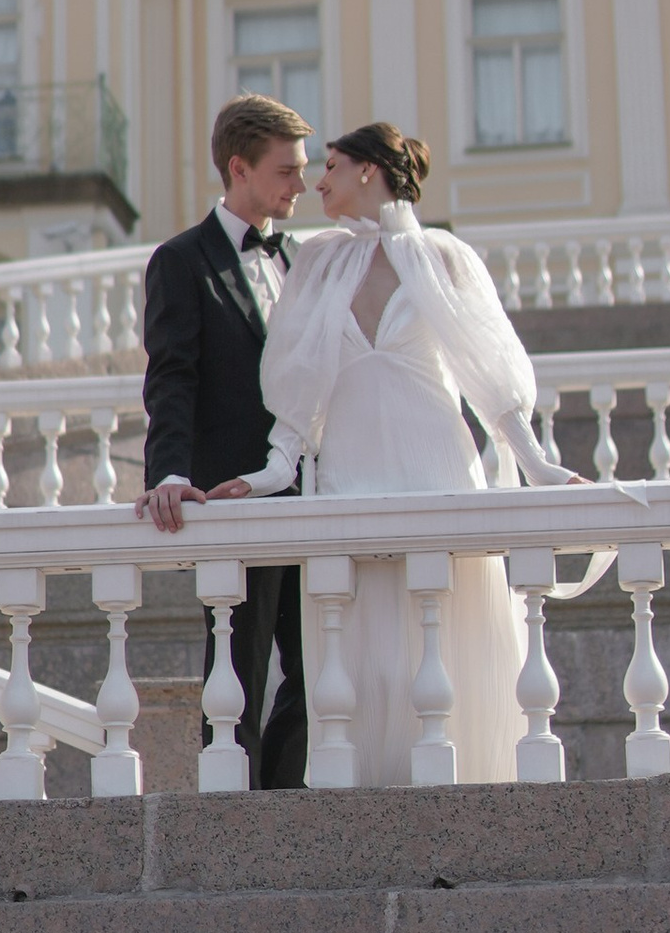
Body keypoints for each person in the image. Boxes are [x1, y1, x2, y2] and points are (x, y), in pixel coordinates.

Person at [220, 119, 583, 788]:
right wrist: (274, 468)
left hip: (433, 465)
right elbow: (300, 380)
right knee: (365, 654)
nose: (317, 182)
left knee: (446, 644)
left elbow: (488, 366)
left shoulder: (444, 257)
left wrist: (533, 459)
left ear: (369, 170)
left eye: (331, 166)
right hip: (354, 471)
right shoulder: (321, 260)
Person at [141, 91, 312, 789]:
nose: (301, 184)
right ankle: (231, 812)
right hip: (229, 497)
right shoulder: (181, 261)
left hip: (308, 492)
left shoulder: (303, 261)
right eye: (286, 171)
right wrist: (169, 471)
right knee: (236, 669)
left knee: (319, 665)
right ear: (239, 168)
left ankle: (284, 800)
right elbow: (171, 378)